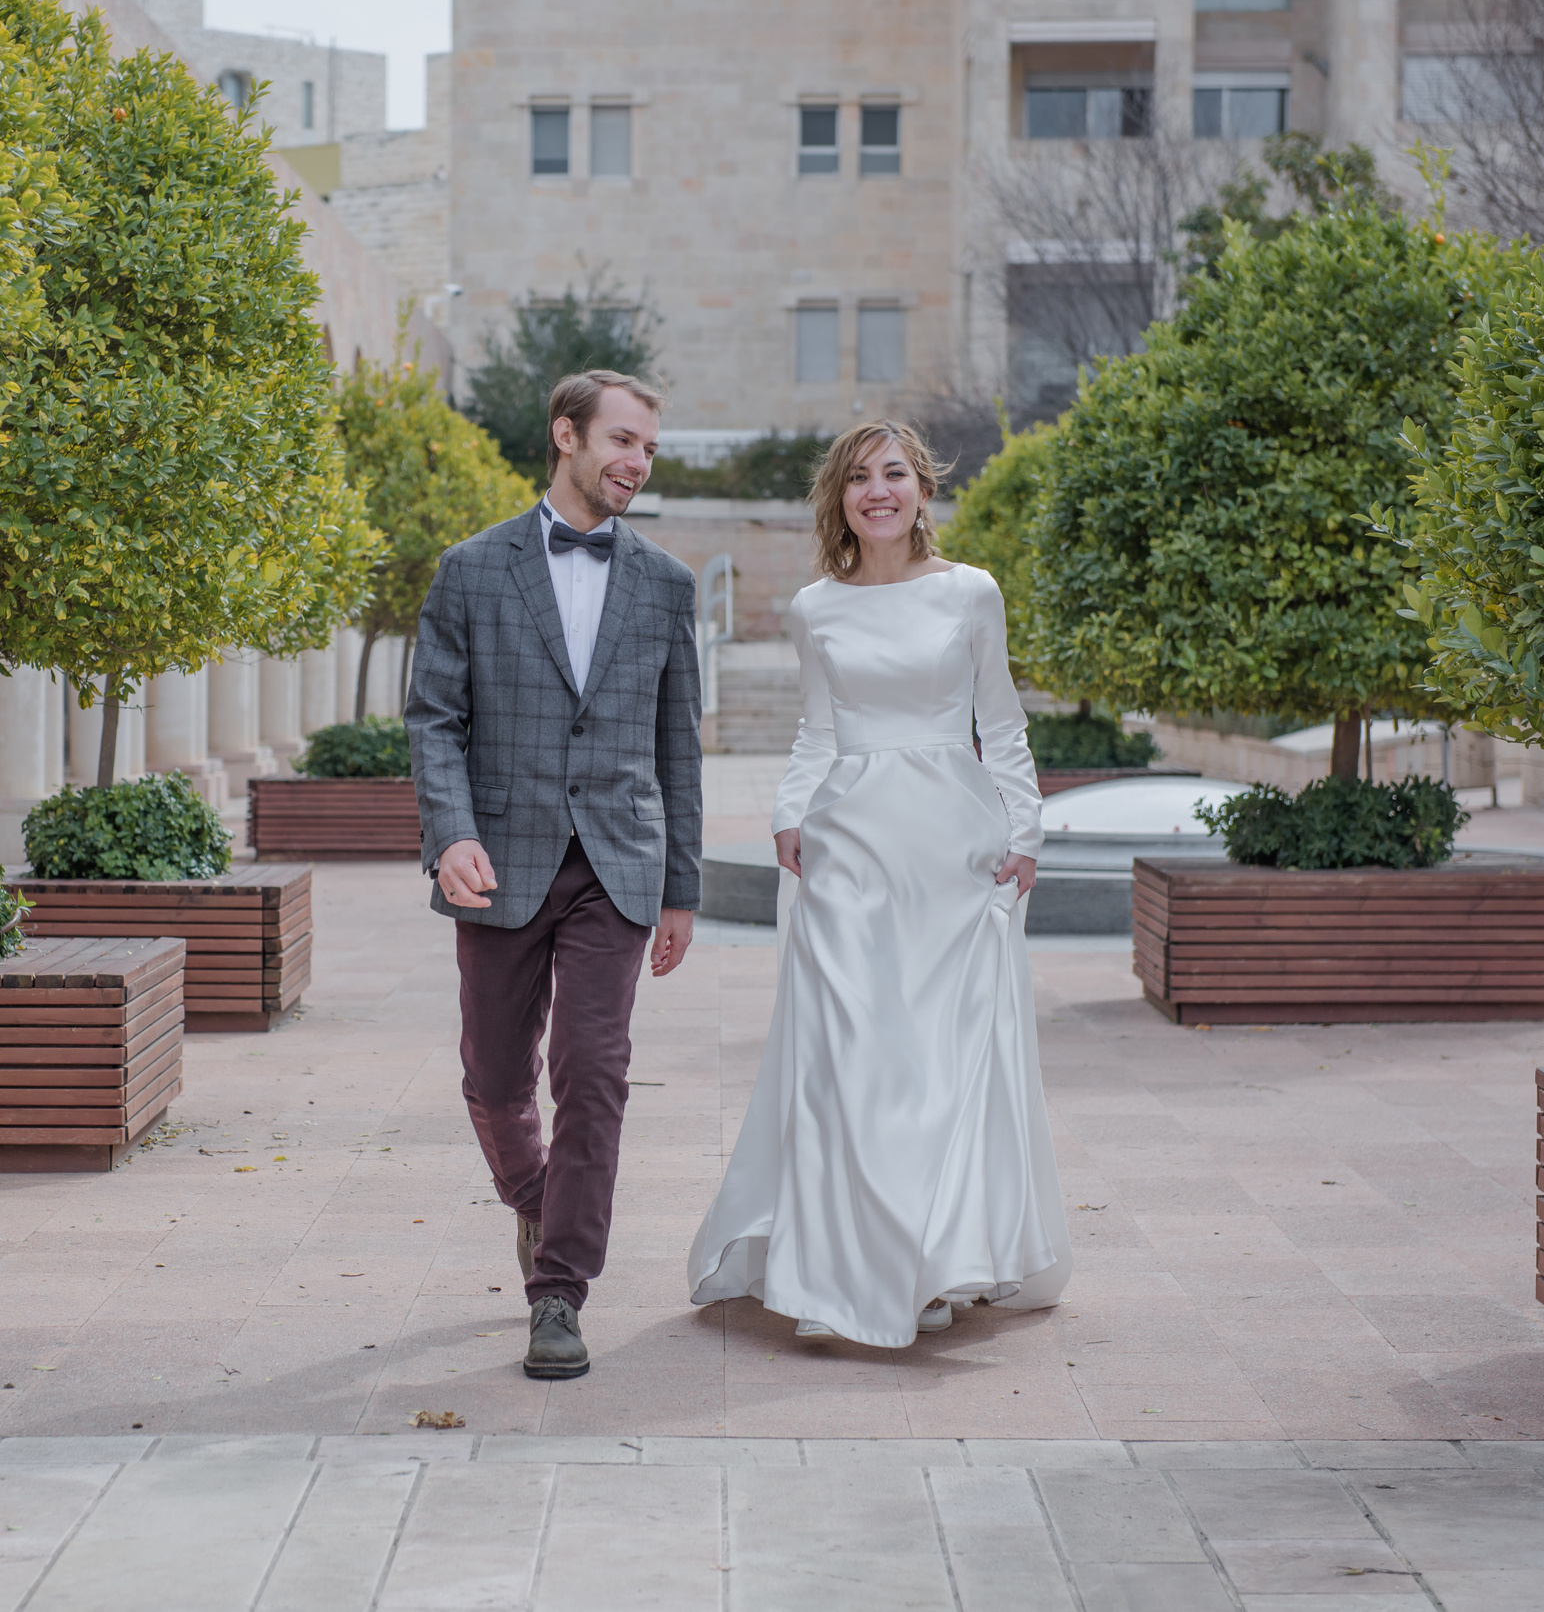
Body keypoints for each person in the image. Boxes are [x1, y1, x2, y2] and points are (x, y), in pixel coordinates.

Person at [685, 421, 1071, 1347]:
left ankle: (937, 1258)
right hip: (847, 843)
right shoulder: (817, 606)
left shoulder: (972, 591)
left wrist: (1026, 830)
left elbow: (1002, 722)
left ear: (922, 488)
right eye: (858, 478)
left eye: (894, 472)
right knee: (852, 1055)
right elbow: (818, 729)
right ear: (840, 498)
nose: (878, 490)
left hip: (955, 848)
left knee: (941, 1062)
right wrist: (788, 811)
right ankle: (847, 1268)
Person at [404, 369, 703, 1380]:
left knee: (593, 1068)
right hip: (498, 857)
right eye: (622, 440)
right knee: (493, 1076)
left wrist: (682, 888)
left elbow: (679, 747)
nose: (636, 461)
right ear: (565, 436)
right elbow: (434, 718)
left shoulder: (666, 582)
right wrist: (449, 833)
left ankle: (560, 1289)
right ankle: (535, 1201)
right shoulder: (470, 569)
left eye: (649, 449)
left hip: (616, 864)